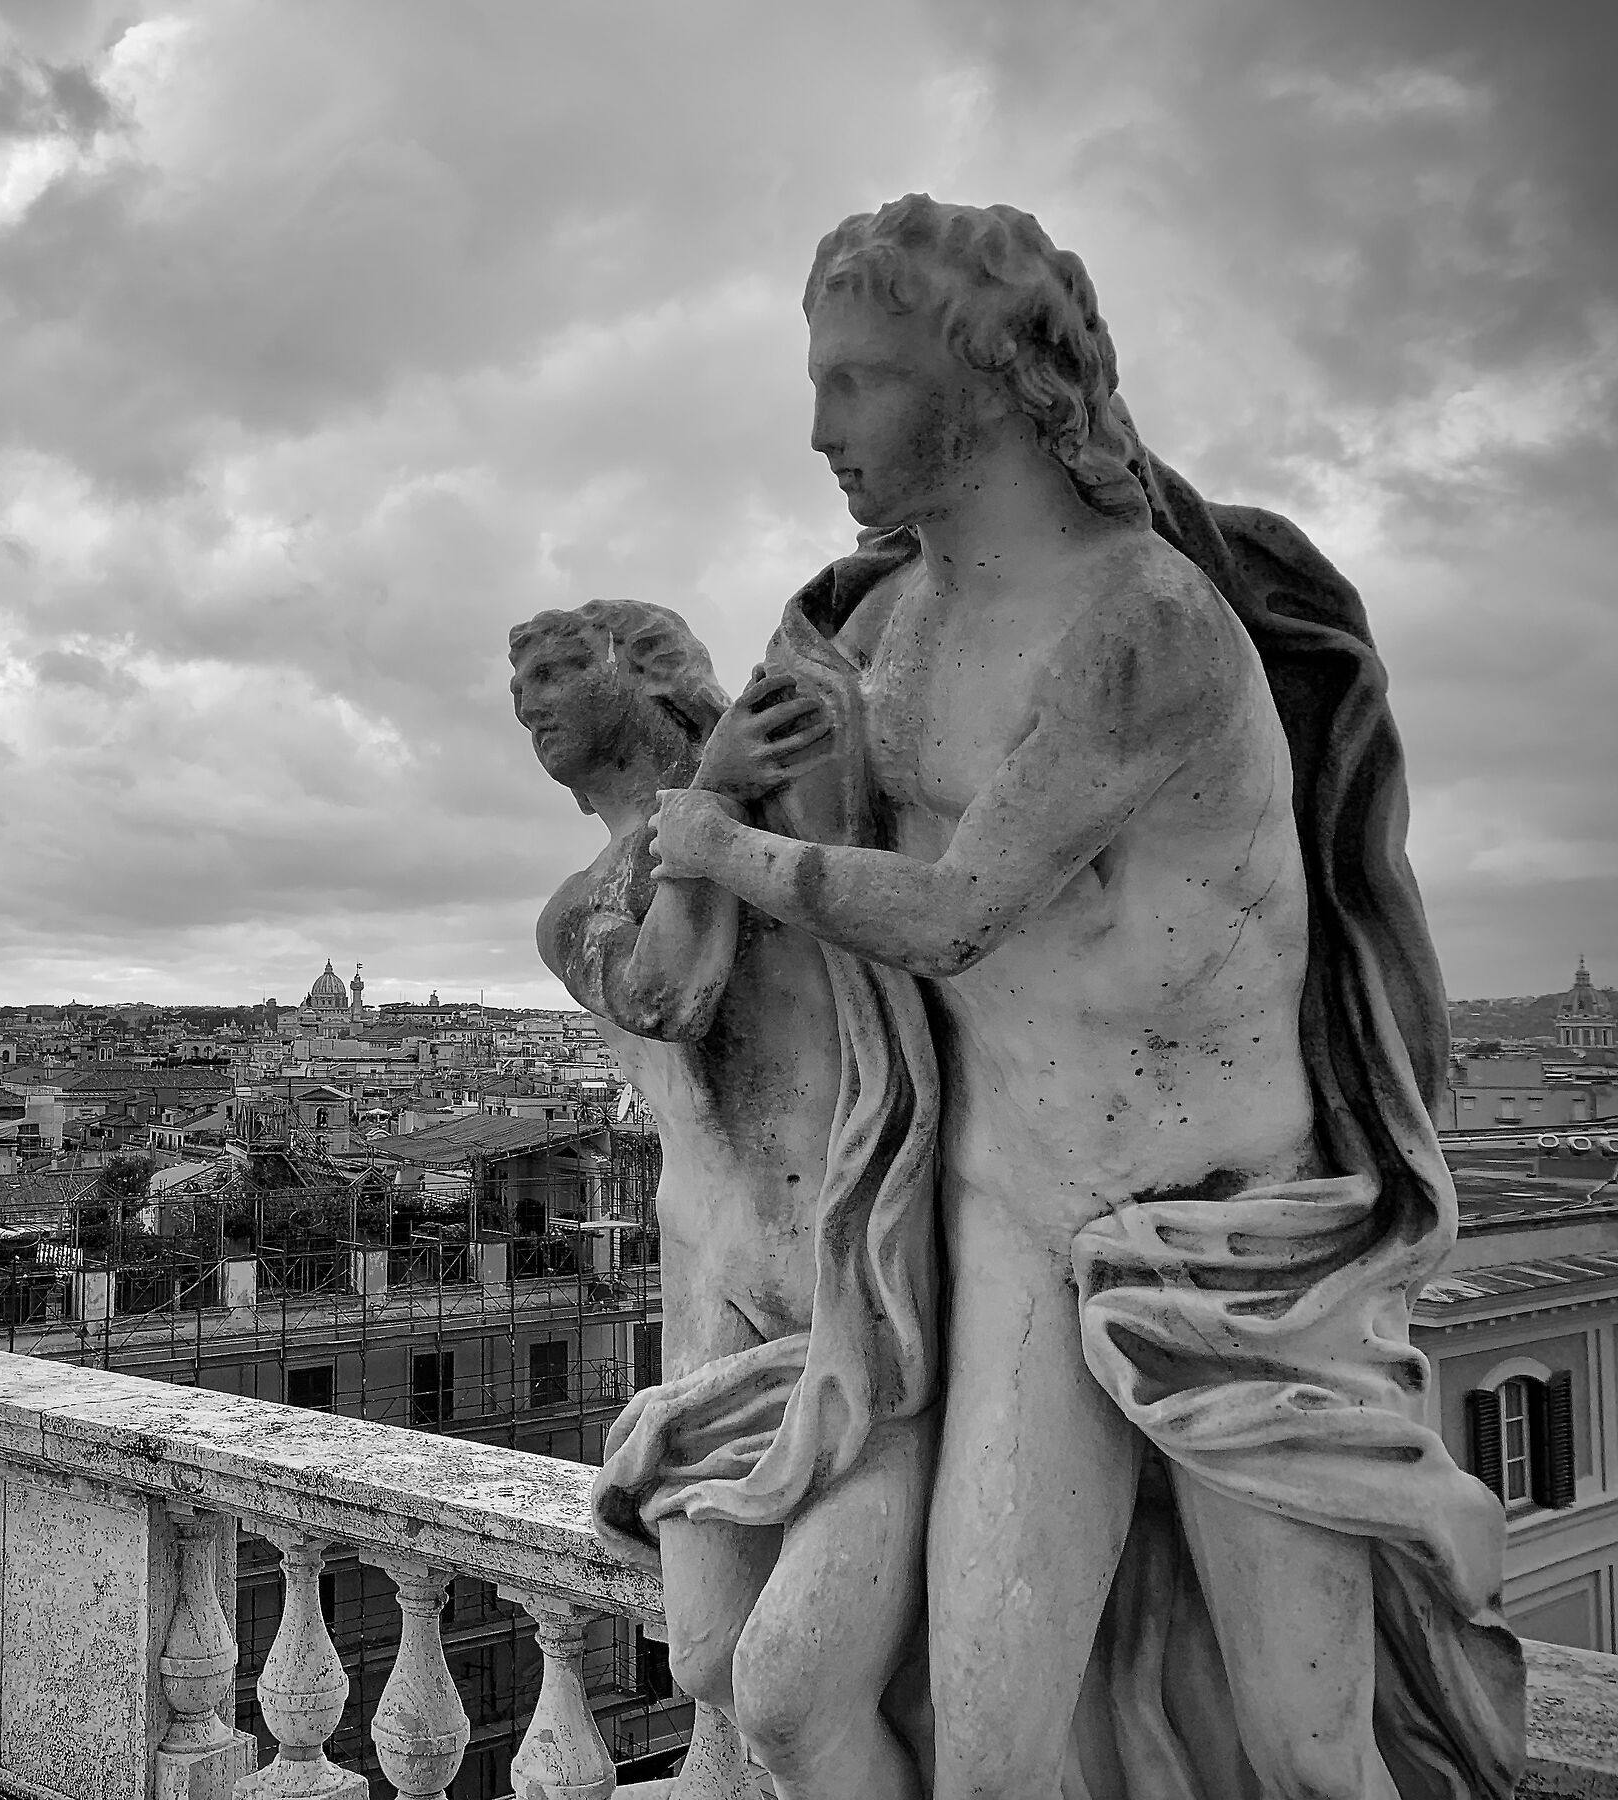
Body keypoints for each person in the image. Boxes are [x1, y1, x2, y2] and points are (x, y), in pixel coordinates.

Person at [649, 196, 1523, 1799]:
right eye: (820, 381)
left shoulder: (1148, 624)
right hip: (1011, 1211)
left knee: (1306, 1742)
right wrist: (731, 799)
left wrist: (717, 845)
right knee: (991, 1746)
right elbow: (780, 898)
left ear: (987, 383)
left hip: (1231, 1238)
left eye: (862, 383)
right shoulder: (884, 627)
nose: (821, 430)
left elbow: (966, 909)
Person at [512, 597, 938, 1799]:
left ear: (643, 675)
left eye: (554, 671)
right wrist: (712, 798)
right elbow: (666, 994)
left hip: (857, 1273)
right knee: (704, 1655)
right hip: (713, 1288)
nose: (531, 705)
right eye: (518, 691)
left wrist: (728, 798)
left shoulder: (799, 812)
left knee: (800, 1690)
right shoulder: (573, 911)